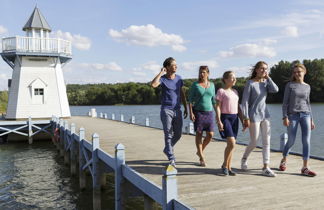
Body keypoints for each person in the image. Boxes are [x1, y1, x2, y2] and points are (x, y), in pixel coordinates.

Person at [240, 61, 279, 177]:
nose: (264, 71)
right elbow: (245, 102)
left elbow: (276, 89)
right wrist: (245, 117)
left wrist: (269, 78)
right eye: (262, 69)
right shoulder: (250, 83)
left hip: (265, 115)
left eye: (266, 69)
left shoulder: (266, 83)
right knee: (254, 142)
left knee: (267, 141)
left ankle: (266, 166)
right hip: (253, 116)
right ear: (256, 70)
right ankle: (244, 158)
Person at [279, 63, 316, 176]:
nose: (296, 74)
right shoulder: (290, 85)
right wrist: (285, 117)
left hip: (305, 115)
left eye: (299, 72)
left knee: (306, 141)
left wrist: (312, 119)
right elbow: (285, 103)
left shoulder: (307, 86)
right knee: (291, 140)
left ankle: (305, 167)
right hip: (292, 116)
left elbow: (308, 103)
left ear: (304, 72)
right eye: (294, 72)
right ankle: (284, 159)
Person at [151, 57, 188, 167]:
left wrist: (185, 107)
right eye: (173, 65)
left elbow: (182, 94)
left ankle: (167, 148)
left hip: (177, 110)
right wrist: (160, 72)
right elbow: (153, 84)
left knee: (178, 134)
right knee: (168, 133)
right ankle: (171, 158)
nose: (176, 66)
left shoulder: (179, 79)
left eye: (176, 65)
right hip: (166, 110)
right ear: (167, 67)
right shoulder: (162, 79)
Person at [216, 71, 244, 176]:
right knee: (231, 143)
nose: (234, 79)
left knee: (231, 145)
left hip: (235, 118)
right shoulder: (221, 91)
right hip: (225, 118)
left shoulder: (235, 92)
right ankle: (224, 165)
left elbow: (238, 108)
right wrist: (218, 120)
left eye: (235, 77)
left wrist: (243, 120)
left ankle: (228, 167)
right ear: (225, 79)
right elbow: (217, 107)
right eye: (232, 77)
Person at [188, 66, 216, 167]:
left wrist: (217, 113)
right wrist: (191, 112)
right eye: (200, 72)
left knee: (210, 134)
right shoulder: (195, 85)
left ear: (208, 73)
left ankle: (200, 151)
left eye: (203, 72)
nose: (201, 74)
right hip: (198, 112)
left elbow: (213, 100)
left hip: (209, 112)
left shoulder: (212, 85)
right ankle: (201, 157)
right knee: (199, 134)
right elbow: (190, 100)